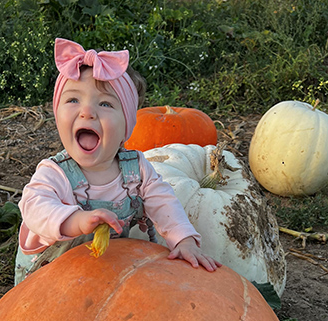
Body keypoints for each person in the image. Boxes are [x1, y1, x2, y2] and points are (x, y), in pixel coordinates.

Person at [14, 38, 221, 285]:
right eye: (73, 100)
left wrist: (183, 239)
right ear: (57, 115)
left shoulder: (136, 168)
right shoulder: (54, 173)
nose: (87, 111)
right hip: (51, 276)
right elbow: (35, 208)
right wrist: (75, 221)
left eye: (105, 103)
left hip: (105, 266)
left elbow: (163, 201)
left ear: (127, 127)